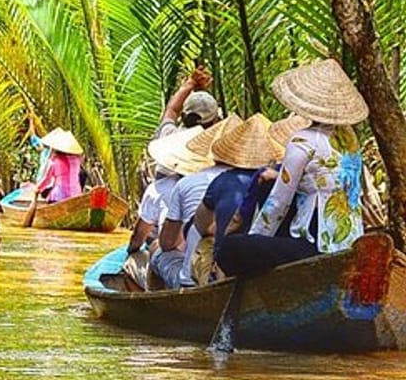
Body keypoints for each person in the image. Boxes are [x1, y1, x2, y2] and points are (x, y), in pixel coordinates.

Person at [216, 59, 367, 277]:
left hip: (316, 247)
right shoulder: (351, 142)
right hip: (350, 243)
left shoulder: (303, 140)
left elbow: (279, 201)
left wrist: (254, 240)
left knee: (229, 249)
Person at [188, 113, 282, 284]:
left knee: (203, 249)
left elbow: (201, 226)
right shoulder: (283, 179)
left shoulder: (223, 181)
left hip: (233, 263)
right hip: (271, 260)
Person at [149, 114, 240, 289]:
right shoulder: (257, 180)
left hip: (192, 280)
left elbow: (167, 243)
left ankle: (149, 301)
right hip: (234, 275)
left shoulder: (187, 183)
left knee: (157, 250)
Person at [123, 125, 210, 289]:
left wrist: (130, 251)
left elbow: (143, 236)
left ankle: (150, 299)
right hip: (213, 266)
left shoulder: (163, 187)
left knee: (149, 253)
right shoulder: (223, 180)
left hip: (187, 271)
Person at [154, 65, 221, 141]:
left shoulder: (168, 136)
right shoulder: (220, 148)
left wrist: (191, 82)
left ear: (183, 116)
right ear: (215, 122)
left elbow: (172, 110)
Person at [34, 128, 84, 203]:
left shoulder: (53, 162)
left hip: (59, 196)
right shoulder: (76, 160)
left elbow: (46, 179)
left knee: (50, 195)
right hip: (76, 195)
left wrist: (37, 189)